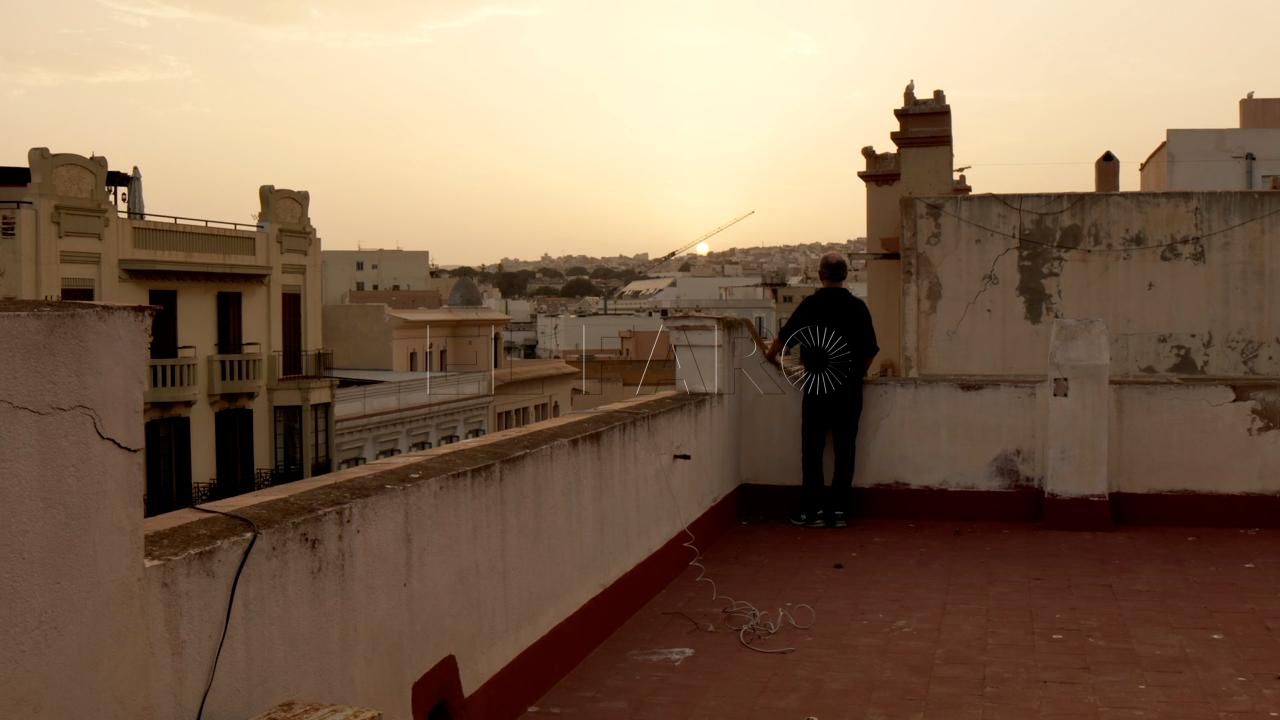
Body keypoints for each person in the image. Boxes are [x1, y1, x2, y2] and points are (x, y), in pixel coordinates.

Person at [765, 253, 878, 528]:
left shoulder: (810, 305)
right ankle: (839, 511)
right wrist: (858, 373)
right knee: (845, 449)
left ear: (820, 275)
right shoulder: (857, 307)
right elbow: (870, 350)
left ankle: (811, 511)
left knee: (812, 450)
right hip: (849, 390)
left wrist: (773, 360)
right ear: (845, 275)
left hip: (817, 387)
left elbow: (781, 342)